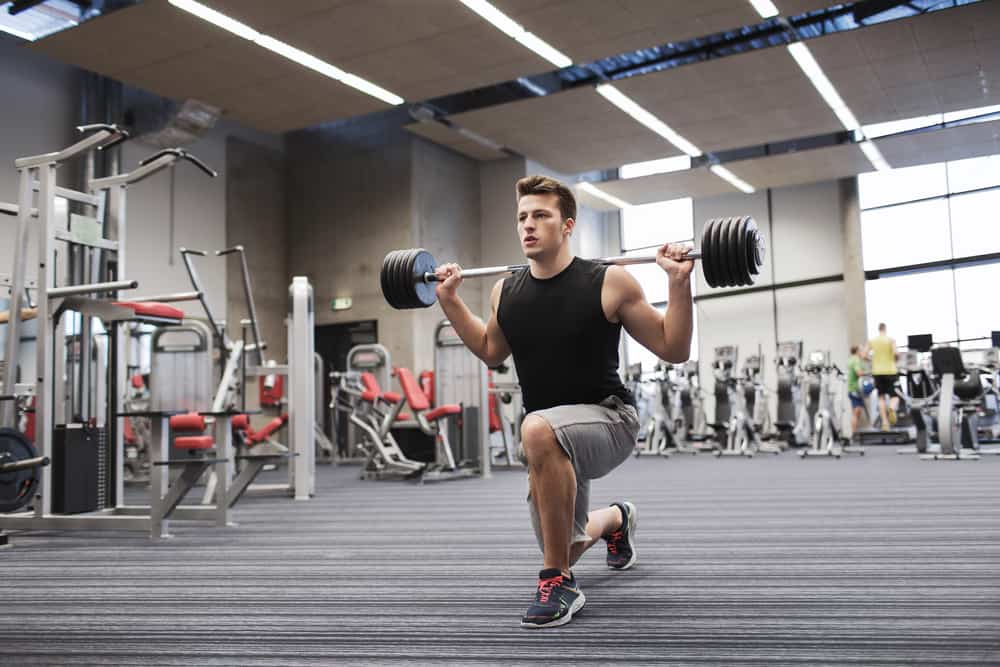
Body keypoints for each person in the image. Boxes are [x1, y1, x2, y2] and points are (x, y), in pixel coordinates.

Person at [433, 175, 694, 628]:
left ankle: (558, 581)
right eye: (522, 218)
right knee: (565, 540)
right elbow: (491, 351)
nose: (528, 226)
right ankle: (617, 519)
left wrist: (677, 284)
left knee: (536, 428)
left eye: (540, 216)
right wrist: (450, 300)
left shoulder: (609, 281)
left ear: (567, 224)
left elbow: (673, 348)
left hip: (610, 419)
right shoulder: (505, 292)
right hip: (552, 437)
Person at [865, 323, 899, 432]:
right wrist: (895, 359)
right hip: (890, 370)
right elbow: (896, 354)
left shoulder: (873, 341)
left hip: (877, 371)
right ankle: (892, 408)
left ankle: (884, 423)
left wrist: (872, 360)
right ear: (885, 329)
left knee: (881, 397)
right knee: (895, 396)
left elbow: (864, 354)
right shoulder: (891, 340)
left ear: (878, 329)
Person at [846, 345, 866, 436]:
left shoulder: (851, 359)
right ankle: (853, 434)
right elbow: (859, 373)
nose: (862, 352)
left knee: (857, 412)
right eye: (861, 350)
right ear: (857, 351)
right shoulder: (856, 360)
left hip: (851, 389)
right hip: (855, 389)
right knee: (856, 411)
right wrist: (870, 372)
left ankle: (853, 434)